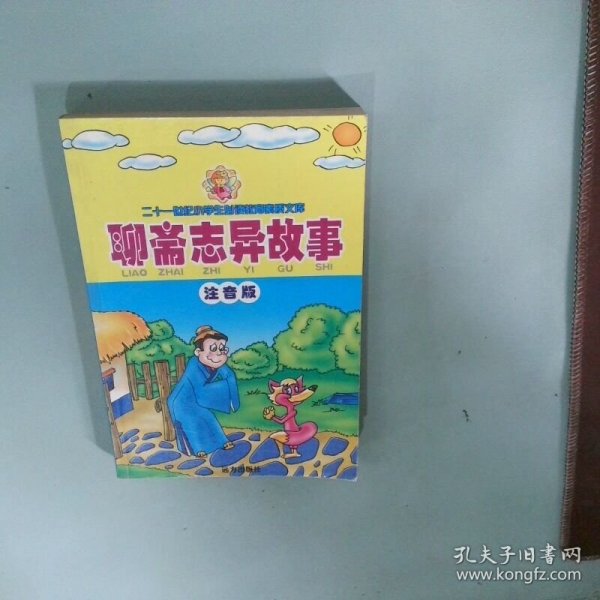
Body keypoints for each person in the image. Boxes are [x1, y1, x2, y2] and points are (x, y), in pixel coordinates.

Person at [167, 325, 240, 457]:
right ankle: (198, 449)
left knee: (209, 418)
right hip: (181, 401)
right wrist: (225, 388)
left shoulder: (217, 364)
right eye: (213, 349)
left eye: (222, 349)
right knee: (191, 423)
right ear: (198, 352)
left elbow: (229, 376)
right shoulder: (194, 365)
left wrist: (233, 399)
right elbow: (201, 390)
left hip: (197, 400)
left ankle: (223, 442)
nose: (219, 353)